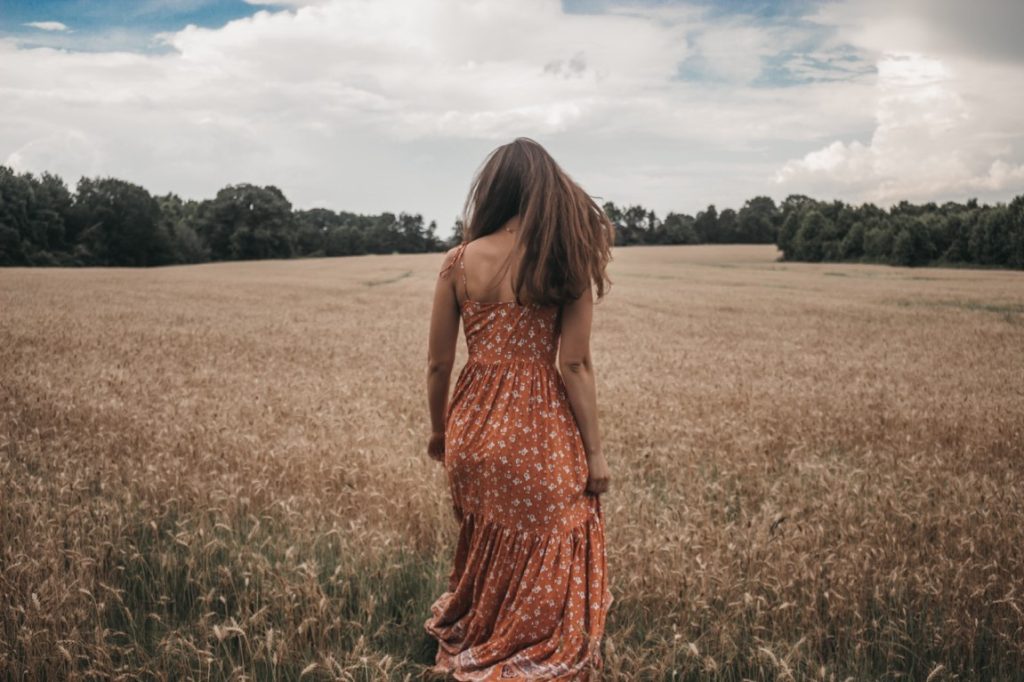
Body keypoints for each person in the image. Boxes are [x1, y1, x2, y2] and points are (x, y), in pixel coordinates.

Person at [423, 137, 614, 680]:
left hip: (473, 428)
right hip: (539, 429)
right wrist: (595, 455)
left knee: (488, 536)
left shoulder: (458, 262)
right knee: (556, 531)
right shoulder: (566, 260)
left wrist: (440, 434)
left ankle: (484, 626)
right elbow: (575, 365)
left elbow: (438, 365)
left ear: (495, 190)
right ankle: (531, 637)